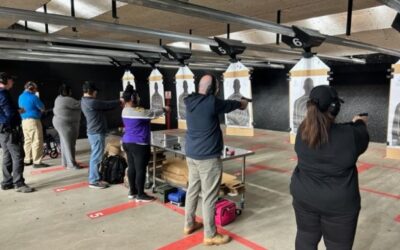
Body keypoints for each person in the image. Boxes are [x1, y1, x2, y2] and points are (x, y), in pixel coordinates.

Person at [290, 85, 369, 250]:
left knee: (305, 238)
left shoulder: (302, 131)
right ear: (335, 107)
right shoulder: (351, 135)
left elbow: (330, 131)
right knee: (337, 246)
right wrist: (360, 123)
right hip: (339, 204)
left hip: (304, 196)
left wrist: (352, 125)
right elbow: (359, 133)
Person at [183, 74, 248, 246]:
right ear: (212, 90)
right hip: (207, 157)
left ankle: (189, 224)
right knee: (209, 196)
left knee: (192, 190)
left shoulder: (189, 100)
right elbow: (230, 105)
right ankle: (210, 235)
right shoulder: (212, 102)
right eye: (216, 87)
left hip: (191, 154)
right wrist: (242, 104)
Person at [121, 85, 168, 202]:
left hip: (127, 142)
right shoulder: (139, 112)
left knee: (131, 167)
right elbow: (153, 113)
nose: (138, 99)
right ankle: (141, 194)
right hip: (139, 144)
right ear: (133, 98)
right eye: (136, 97)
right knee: (141, 169)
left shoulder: (124, 110)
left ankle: (132, 191)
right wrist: (164, 109)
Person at [81, 81, 121, 189]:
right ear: (90, 91)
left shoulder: (84, 101)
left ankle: (94, 177)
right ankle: (93, 181)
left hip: (94, 132)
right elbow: (106, 105)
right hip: (96, 133)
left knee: (95, 156)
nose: (96, 94)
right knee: (96, 157)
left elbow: (105, 107)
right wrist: (120, 101)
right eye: (95, 92)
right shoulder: (91, 102)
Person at [0, 72, 34, 193]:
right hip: (9, 129)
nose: (13, 82)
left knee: (7, 155)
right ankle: (19, 183)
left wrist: (16, 110)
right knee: (18, 155)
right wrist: (17, 114)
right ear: (5, 80)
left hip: (3, 130)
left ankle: (6, 182)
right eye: (11, 80)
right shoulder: (3, 94)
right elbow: (9, 114)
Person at [18, 81, 49, 168]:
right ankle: (37, 162)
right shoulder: (33, 97)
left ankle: (28, 160)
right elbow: (42, 108)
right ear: (32, 88)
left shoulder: (20, 96)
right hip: (33, 121)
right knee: (37, 141)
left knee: (28, 141)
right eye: (35, 89)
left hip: (24, 121)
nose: (36, 90)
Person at [52, 84, 81, 170]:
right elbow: (81, 104)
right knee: (69, 144)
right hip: (65, 124)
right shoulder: (67, 100)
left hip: (60, 123)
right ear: (66, 91)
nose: (71, 92)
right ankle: (71, 165)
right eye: (70, 91)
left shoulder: (58, 98)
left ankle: (65, 162)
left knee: (65, 143)